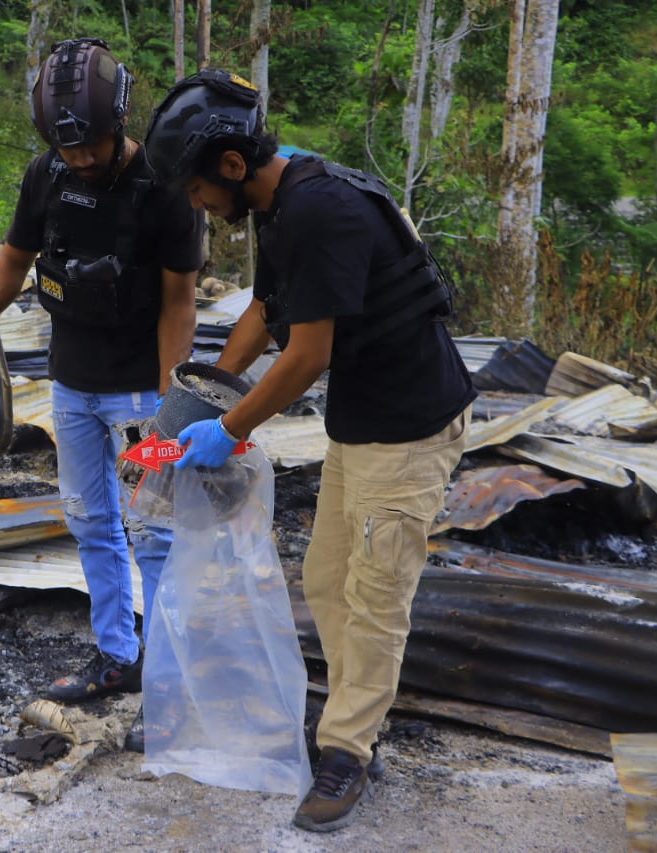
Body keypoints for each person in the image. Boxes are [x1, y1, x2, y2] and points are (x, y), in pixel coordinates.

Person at [143, 68, 476, 831]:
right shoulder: (278, 201)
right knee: (328, 580)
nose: (195, 204)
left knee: (377, 594)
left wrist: (229, 428)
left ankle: (350, 749)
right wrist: (211, 387)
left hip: (412, 427)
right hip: (362, 424)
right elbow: (268, 307)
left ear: (230, 165)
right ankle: (354, 721)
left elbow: (308, 353)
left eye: (195, 189)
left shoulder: (321, 208)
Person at [0, 38, 204, 753]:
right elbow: (15, 258)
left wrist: (167, 402)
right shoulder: (45, 174)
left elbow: (181, 300)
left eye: (90, 147)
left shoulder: (165, 188)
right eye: (68, 149)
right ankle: (117, 656)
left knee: (154, 534)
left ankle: (170, 686)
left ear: (118, 122)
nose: (80, 159)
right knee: (91, 522)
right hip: (72, 383)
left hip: (137, 394)